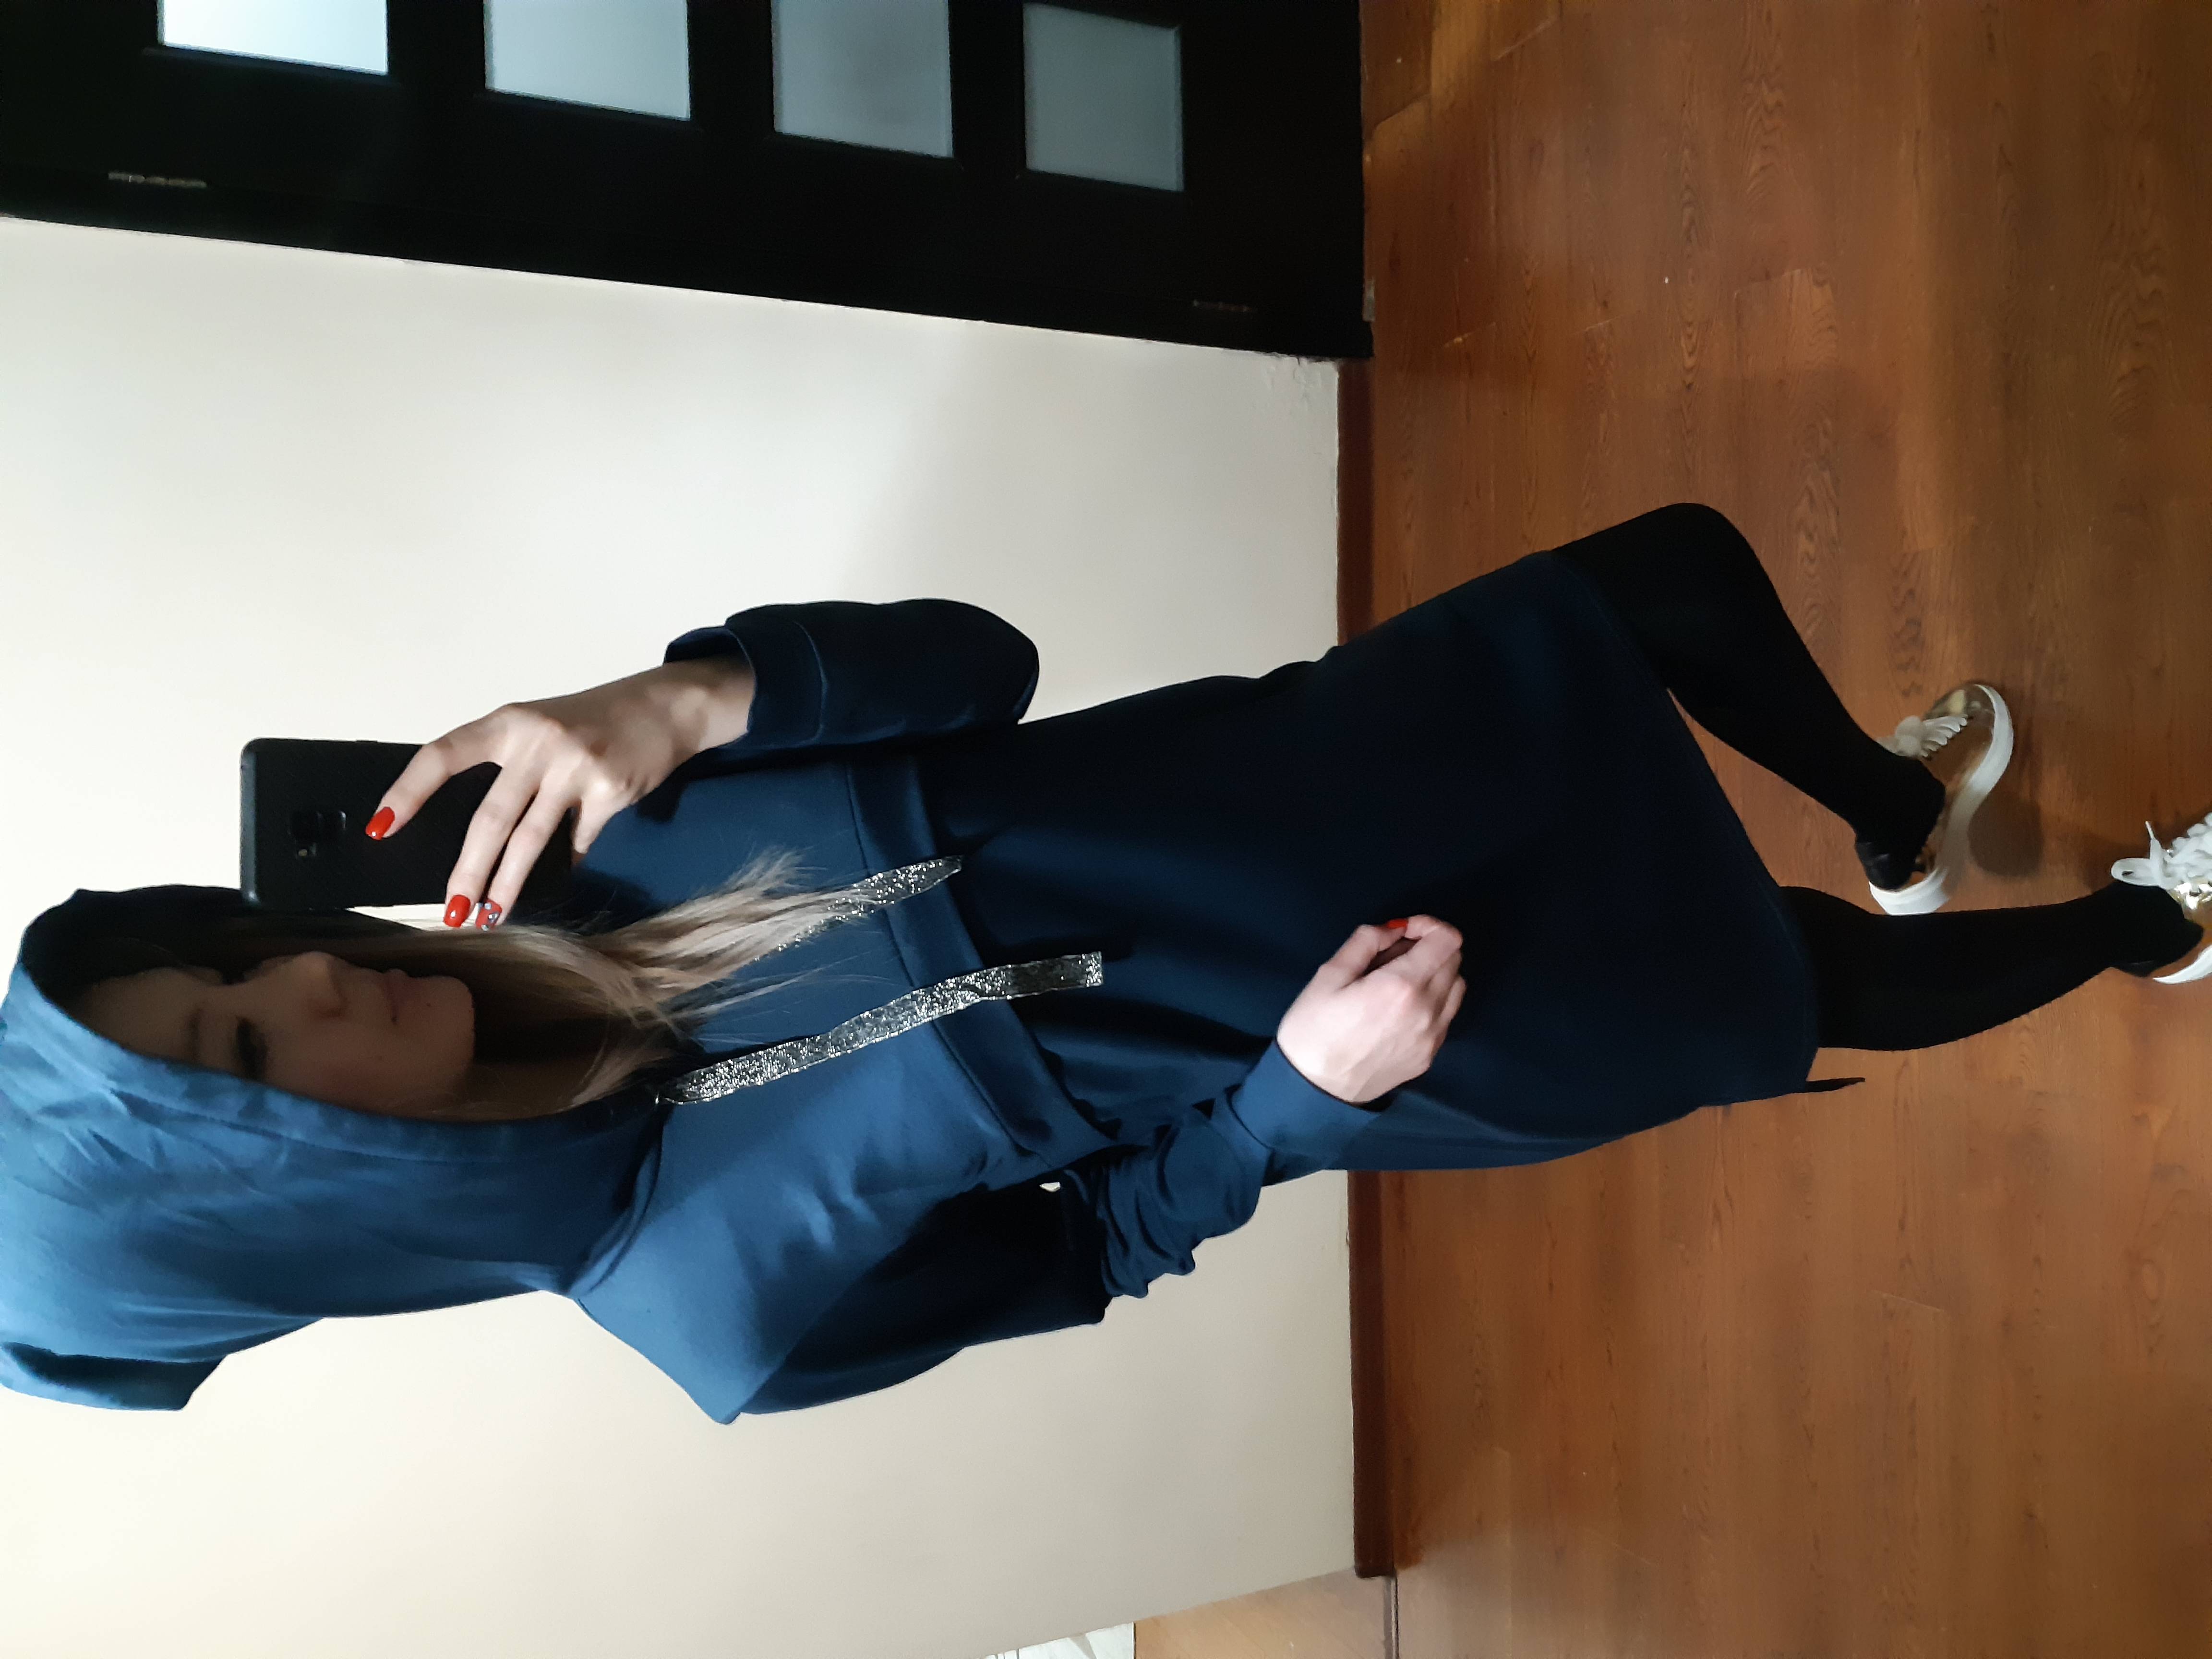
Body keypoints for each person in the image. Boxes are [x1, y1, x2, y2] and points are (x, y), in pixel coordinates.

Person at [3, 504, 2205, 1419]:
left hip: (1321, 761)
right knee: (1811, 987)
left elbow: (981, 665)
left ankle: (1896, 808)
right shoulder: (714, 1310)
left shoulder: (580, 841)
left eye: (234, 973)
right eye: (247, 1062)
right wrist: (1299, 1105)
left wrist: (684, 695)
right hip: (1372, 1016)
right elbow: (1091, 1247)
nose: (310, 989)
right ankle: (2146, 923)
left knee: (1672, 580)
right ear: (285, 1210)